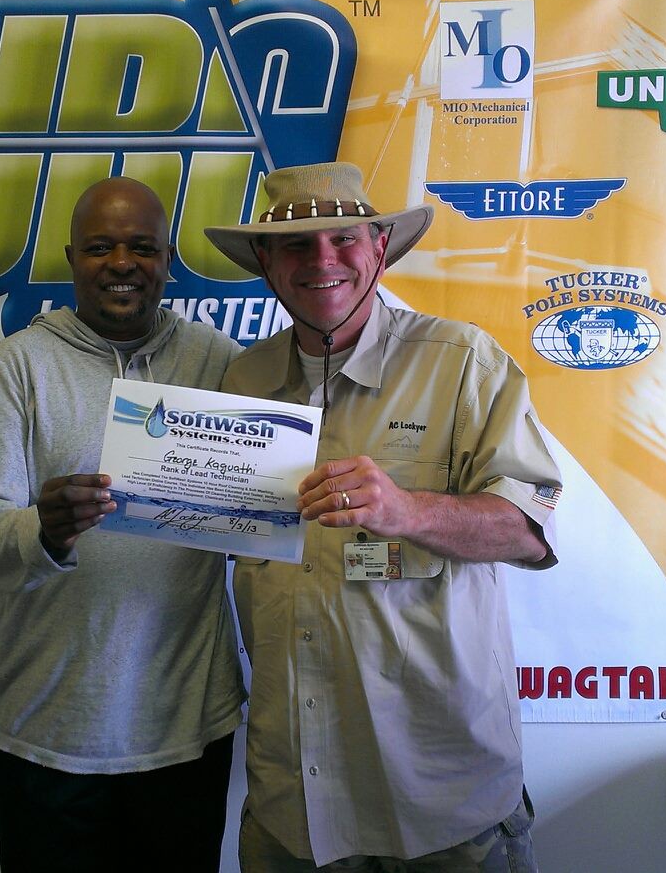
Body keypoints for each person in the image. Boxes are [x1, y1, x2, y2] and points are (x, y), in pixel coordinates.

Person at [205, 162, 564, 872]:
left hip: (440, 795)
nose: (323, 260)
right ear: (267, 264)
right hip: (292, 796)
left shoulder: (462, 363)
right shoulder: (241, 381)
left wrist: (406, 509)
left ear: (378, 248)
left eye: (344, 238)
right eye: (296, 245)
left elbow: (529, 532)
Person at [0, 177, 245, 872]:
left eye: (142, 247)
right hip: (49, 735)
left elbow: (261, 509)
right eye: (100, 247)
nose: (122, 263)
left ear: (167, 259)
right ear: (71, 258)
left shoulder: (218, 361)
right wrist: (41, 530)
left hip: (187, 730)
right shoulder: (19, 366)